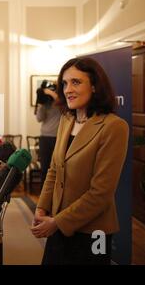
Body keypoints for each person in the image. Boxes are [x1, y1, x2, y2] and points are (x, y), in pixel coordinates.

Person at [31, 57, 129, 265]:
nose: (68, 89)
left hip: (93, 232)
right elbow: (54, 170)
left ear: (94, 86)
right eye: (65, 84)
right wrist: (41, 208)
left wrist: (57, 222)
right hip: (57, 223)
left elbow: (101, 193)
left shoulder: (114, 126)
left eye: (76, 82)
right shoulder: (67, 120)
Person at [35, 83, 61, 186]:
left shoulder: (60, 103)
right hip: (45, 138)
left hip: (58, 138)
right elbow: (39, 119)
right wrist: (41, 103)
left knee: (57, 167)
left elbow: (62, 103)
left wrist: (51, 93)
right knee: (44, 167)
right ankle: (43, 194)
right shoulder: (44, 104)